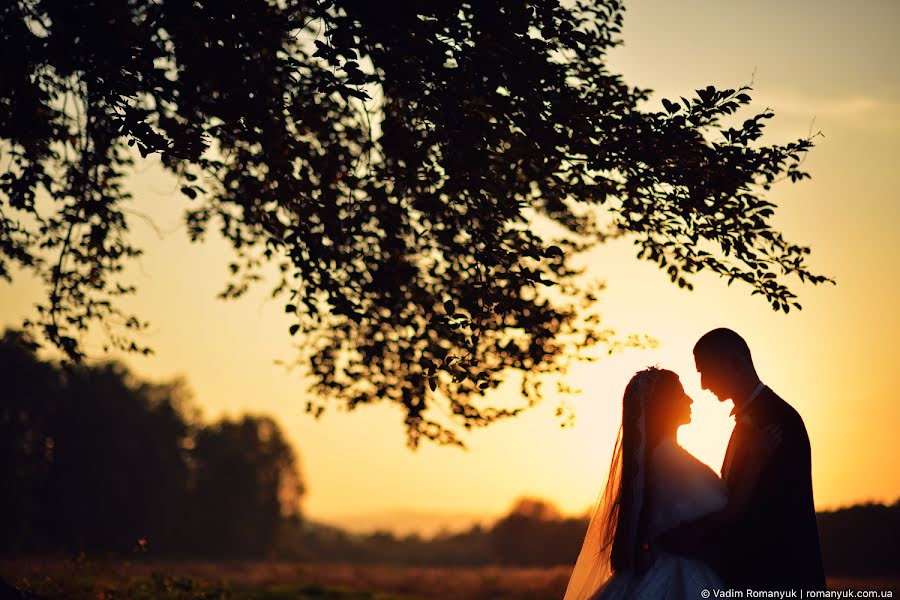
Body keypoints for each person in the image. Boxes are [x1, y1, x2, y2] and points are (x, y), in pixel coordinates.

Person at [670, 328, 826, 591]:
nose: (703, 384)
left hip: (778, 579)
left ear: (734, 363)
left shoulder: (777, 421)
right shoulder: (750, 419)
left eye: (705, 371)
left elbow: (768, 512)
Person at [563, 367, 728, 600]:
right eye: (681, 394)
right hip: (680, 573)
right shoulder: (669, 460)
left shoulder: (657, 459)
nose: (690, 400)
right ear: (664, 405)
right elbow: (720, 507)